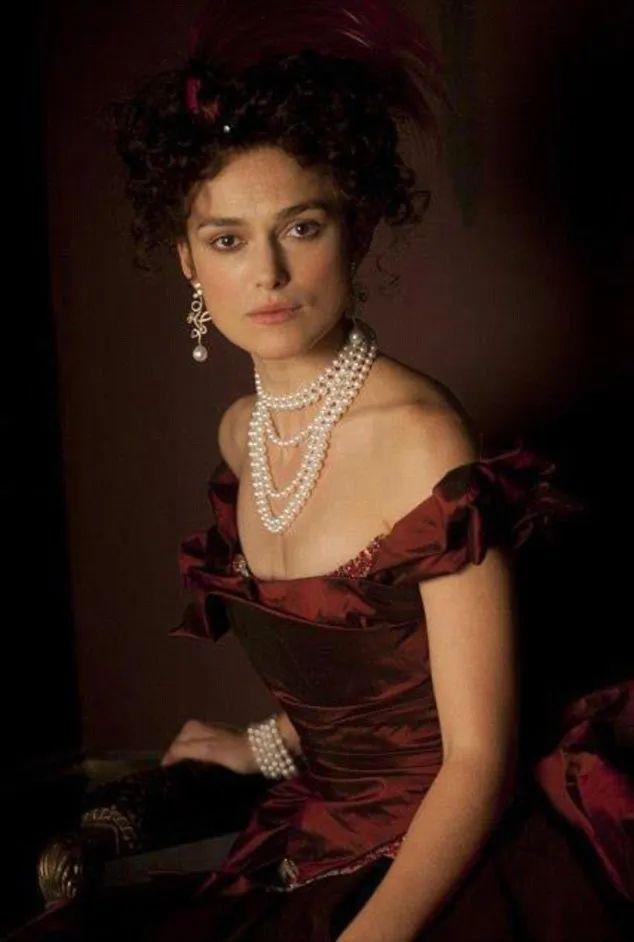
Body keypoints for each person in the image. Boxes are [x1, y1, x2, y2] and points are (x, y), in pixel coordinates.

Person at [11, 1, 632, 939]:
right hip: (319, 833)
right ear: (188, 261)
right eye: (227, 239)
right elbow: (369, 675)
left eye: (300, 227)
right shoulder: (241, 436)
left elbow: (476, 759)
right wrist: (261, 745)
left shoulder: (423, 440)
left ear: (358, 228)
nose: (265, 273)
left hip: (449, 847)